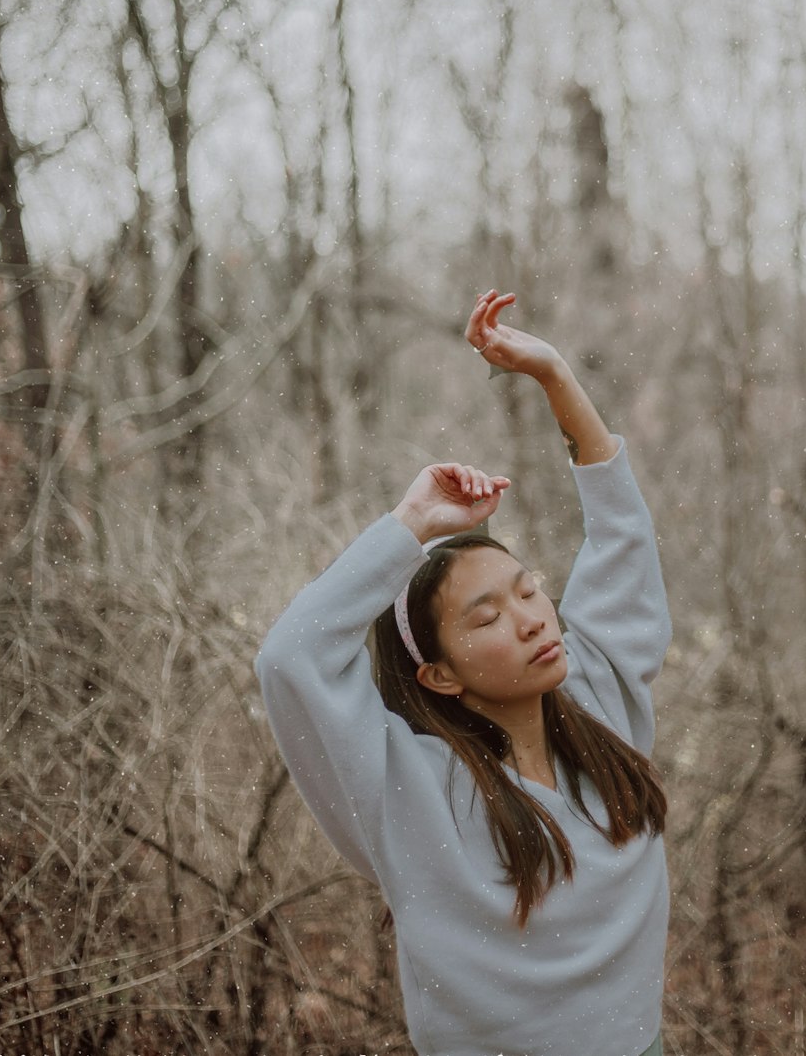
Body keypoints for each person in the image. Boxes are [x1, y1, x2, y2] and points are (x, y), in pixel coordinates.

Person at [256, 290, 671, 1056]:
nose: (532, 618)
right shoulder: (406, 789)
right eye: (486, 618)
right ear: (441, 676)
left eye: (528, 589)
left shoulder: (602, 704)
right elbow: (290, 660)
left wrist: (555, 377)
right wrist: (410, 524)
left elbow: (621, 535)